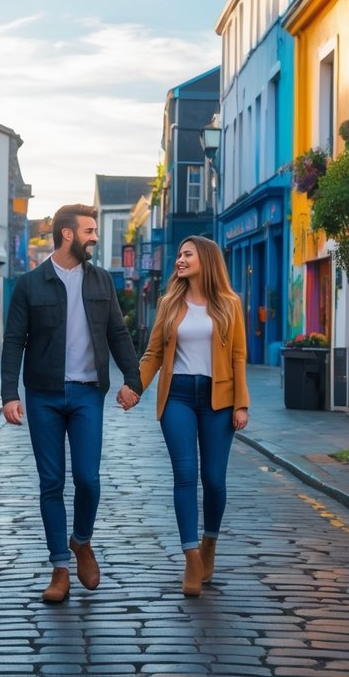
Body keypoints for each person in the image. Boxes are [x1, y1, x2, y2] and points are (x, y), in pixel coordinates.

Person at [0, 204, 142, 602]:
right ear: (67, 234)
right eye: (89, 230)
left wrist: (135, 380)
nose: (95, 236)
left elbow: (118, 333)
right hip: (43, 395)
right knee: (51, 482)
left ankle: (82, 540)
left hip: (86, 393)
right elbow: (14, 341)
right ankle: (60, 567)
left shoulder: (101, 282)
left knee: (88, 479)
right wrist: (9, 393)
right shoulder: (31, 284)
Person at [133, 235, 249, 596]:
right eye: (179, 254)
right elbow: (153, 354)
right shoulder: (169, 303)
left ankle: (209, 541)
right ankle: (191, 556)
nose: (180, 260)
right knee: (185, 475)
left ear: (207, 260)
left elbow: (239, 357)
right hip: (178, 396)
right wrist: (134, 387)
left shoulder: (230, 304)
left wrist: (241, 403)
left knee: (214, 479)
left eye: (187, 254)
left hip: (220, 398)